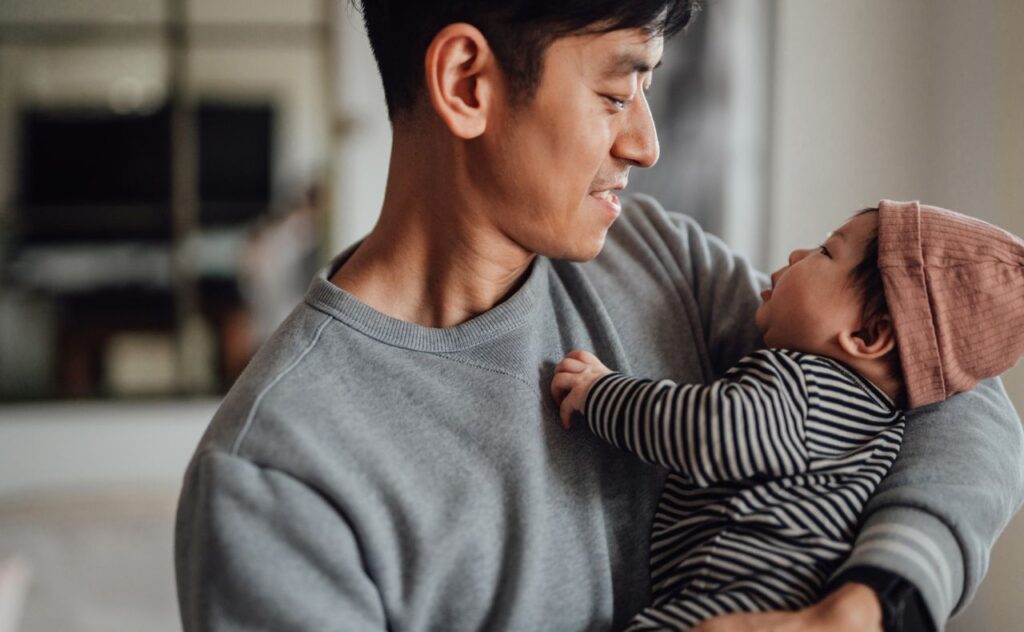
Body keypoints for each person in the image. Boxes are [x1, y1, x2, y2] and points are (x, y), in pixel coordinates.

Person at [174, 1, 1024, 630]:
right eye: (617, 92)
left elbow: (952, 386)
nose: (646, 143)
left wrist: (870, 607)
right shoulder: (276, 479)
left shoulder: (655, 258)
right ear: (467, 83)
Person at [552, 201, 1024, 629]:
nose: (798, 254)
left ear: (867, 336)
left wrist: (602, 393)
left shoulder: (808, 384)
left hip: (731, 608)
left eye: (825, 252)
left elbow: (715, 433)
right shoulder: (878, 420)